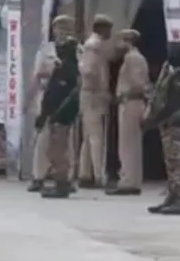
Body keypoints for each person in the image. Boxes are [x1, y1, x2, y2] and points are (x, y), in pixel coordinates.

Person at [142, 41, 180, 215]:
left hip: (173, 124)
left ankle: (179, 198)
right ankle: (172, 197)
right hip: (169, 123)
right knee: (170, 161)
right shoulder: (173, 73)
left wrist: (156, 119)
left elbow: (173, 104)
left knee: (174, 161)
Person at [35, 27, 80, 199]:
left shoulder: (68, 69)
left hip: (60, 116)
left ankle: (61, 184)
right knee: (55, 150)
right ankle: (62, 182)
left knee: (57, 151)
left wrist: (48, 114)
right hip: (57, 115)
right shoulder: (66, 67)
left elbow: (56, 95)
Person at [26, 16, 68, 192]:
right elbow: (37, 75)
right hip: (46, 96)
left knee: (65, 141)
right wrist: (28, 100)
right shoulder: (45, 50)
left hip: (66, 99)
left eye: (66, 28)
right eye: (59, 27)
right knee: (42, 138)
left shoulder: (75, 49)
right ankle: (38, 177)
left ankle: (64, 178)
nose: (62, 31)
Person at [106, 29, 149, 196]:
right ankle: (129, 179)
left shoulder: (133, 58)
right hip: (129, 103)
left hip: (131, 103)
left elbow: (139, 84)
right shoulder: (132, 58)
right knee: (129, 144)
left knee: (128, 144)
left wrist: (124, 94)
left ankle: (129, 181)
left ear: (128, 41)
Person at [77, 15, 115, 189]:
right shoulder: (95, 46)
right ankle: (99, 176)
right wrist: (101, 91)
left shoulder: (90, 45)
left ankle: (85, 173)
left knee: (87, 136)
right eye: (109, 29)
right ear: (102, 28)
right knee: (97, 137)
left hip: (88, 94)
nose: (110, 33)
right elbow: (90, 71)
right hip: (93, 95)